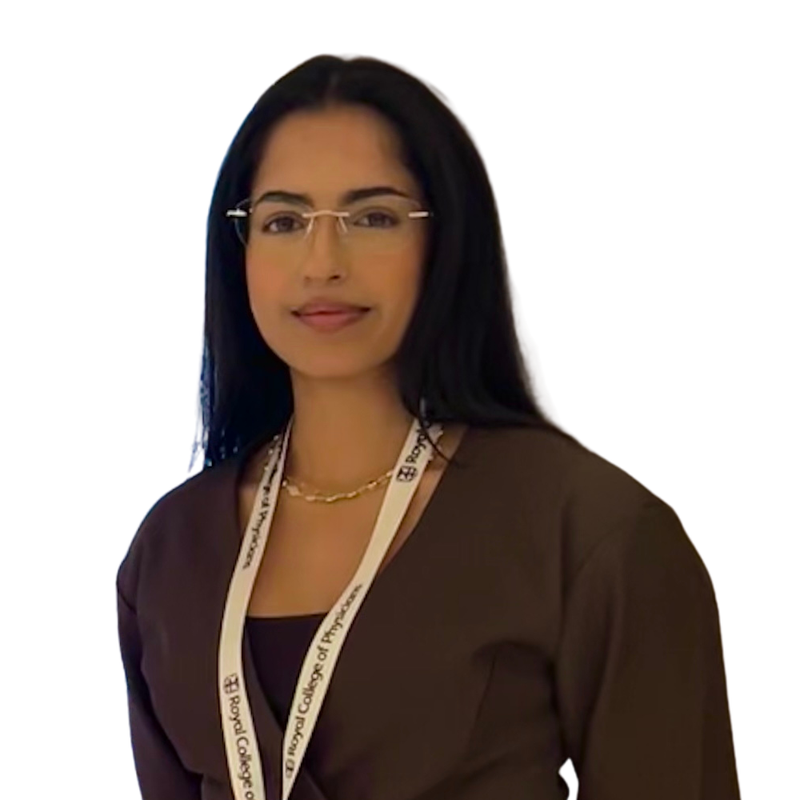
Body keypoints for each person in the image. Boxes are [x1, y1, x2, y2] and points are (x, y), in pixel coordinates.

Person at [116, 54, 741, 800]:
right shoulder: (171, 550)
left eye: (373, 217)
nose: (322, 262)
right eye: (284, 221)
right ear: (239, 249)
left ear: (447, 243)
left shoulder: (589, 532)